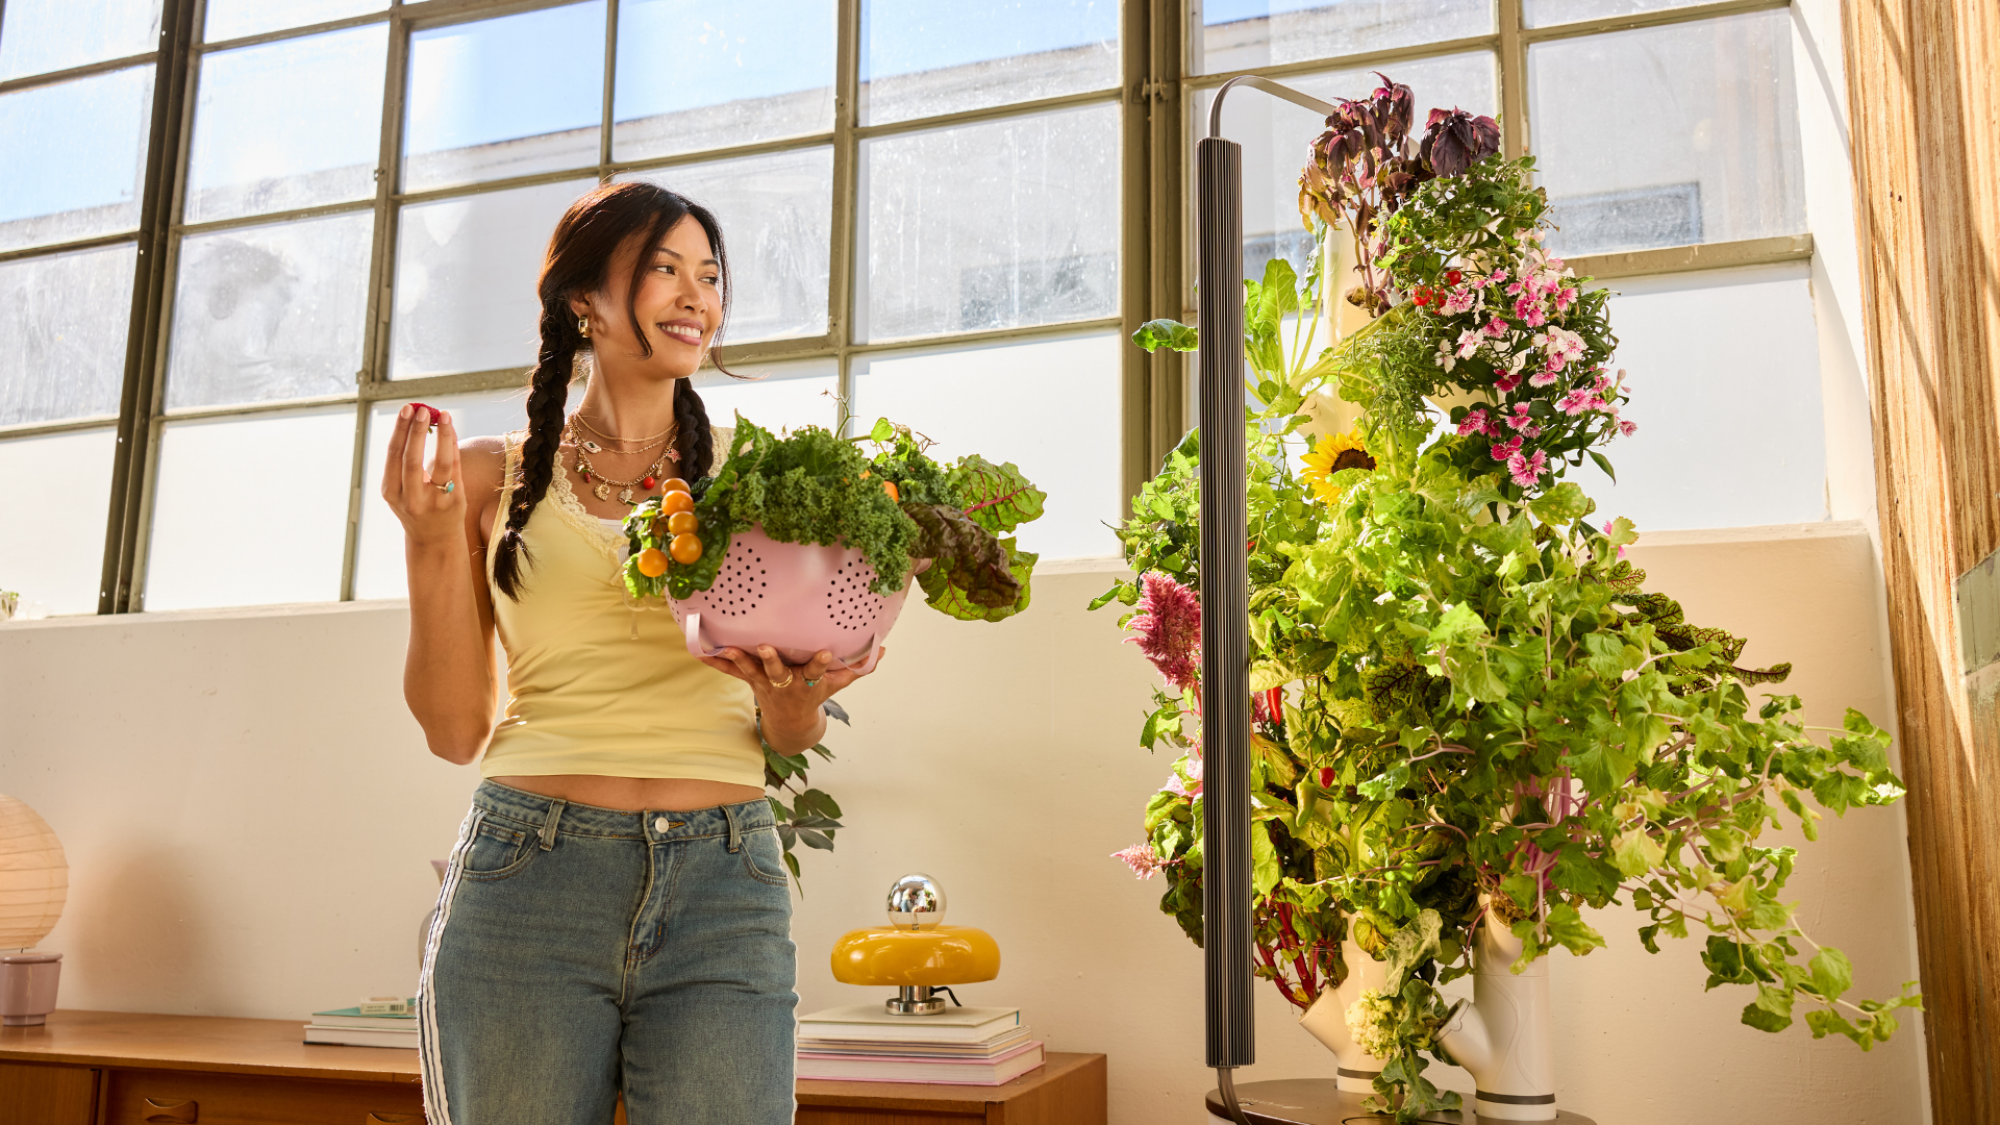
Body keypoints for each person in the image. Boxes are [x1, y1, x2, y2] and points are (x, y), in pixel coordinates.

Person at [381, 181, 876, 1124]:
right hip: (528, 876)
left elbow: (787, 723)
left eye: (710, 275)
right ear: (584, 302)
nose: (696, 296)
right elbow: (454, 728)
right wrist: (428, 536)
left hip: (723, 882)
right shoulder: (492, 476)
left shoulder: (759, 480)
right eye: (664, 270)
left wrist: (797, 698)